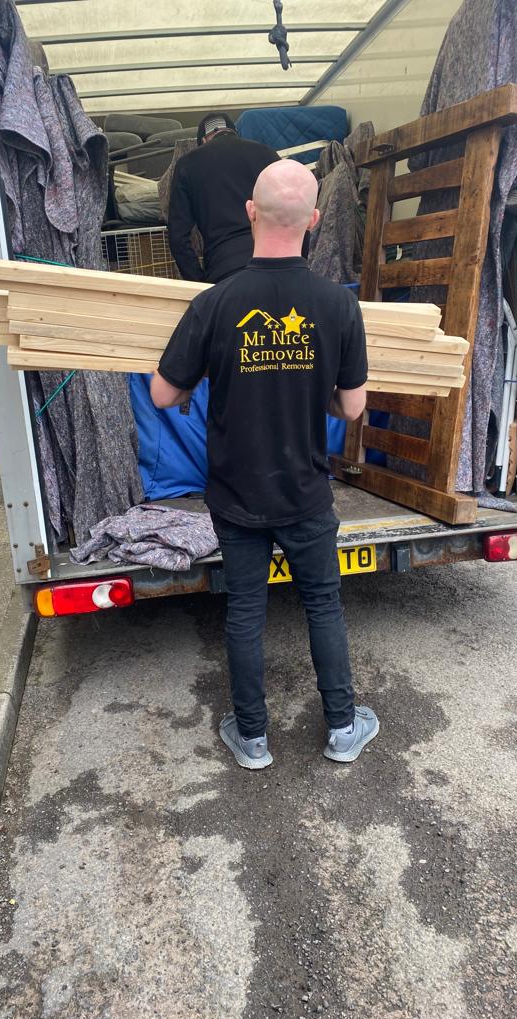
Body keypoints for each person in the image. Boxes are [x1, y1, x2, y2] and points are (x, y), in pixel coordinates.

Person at [150, 160, 379, 770]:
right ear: (316, 221)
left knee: (246, 609)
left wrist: (217, 376)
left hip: (235, 492)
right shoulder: (337, 305)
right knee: (323, 603)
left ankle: (252, 738)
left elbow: (162, 395)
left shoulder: (215, 302)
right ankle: (342, 729)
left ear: (249, 214)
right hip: (305, 492)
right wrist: (309, 384)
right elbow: (352, 408)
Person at [167, 112, 279, 284]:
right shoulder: (266, 153)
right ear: (233, 132)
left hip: (224, 269)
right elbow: (294, 210)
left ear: (203, 140)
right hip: (275, 262)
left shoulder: (187, 165)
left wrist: (198, 281)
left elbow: (178, 236)